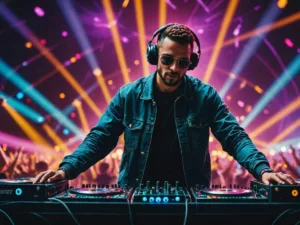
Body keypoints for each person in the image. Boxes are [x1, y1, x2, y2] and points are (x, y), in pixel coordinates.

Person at [34, 23, 296, 187]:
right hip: (134, 194)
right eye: (168, 59)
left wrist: (262, 171)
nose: (174, 68)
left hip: (190, 195)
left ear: (191, 63)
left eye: (183, 63)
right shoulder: (129, 95)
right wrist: (66, 170)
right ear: (154, 56)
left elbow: (234, 136)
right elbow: (100, 138)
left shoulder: (206, 96)